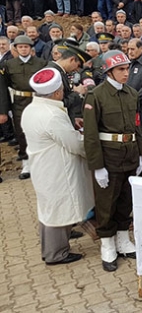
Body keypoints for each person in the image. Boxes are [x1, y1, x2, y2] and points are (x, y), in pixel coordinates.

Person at [22, 67, 93, 265]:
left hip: (44, 165)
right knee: (58, 208)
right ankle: (56, 253)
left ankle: (57, 243)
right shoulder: (52, 114)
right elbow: (73, 143)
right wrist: (91, 149)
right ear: (56, 92)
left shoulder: (32, 108)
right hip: (57, 167)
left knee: (49, 207)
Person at [83, 50, 142, 272]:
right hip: (108, 157)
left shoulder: (132, 93)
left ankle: (122, 241)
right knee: (107, 203)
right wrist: (97, 167)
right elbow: (90, 134)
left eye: (127, 69)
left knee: (125, 201)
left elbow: (137, 126)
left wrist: (140, 155)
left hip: (129, 154)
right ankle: (107, 245)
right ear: (109, 71)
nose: (125, 73)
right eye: (120, 69)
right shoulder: (96, 96)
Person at [0, 35, 47, 180]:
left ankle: (41, 164)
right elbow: (3, 87)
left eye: (26, 46)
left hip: (38, 101)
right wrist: (3, 110)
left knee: (40, 132)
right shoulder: (9, 65)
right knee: (21, 133)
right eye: (20, 47)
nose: (23, 49)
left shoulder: (41, 63)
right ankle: (26, 163)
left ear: (31, 48)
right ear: (16, 49)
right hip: (19, 103)